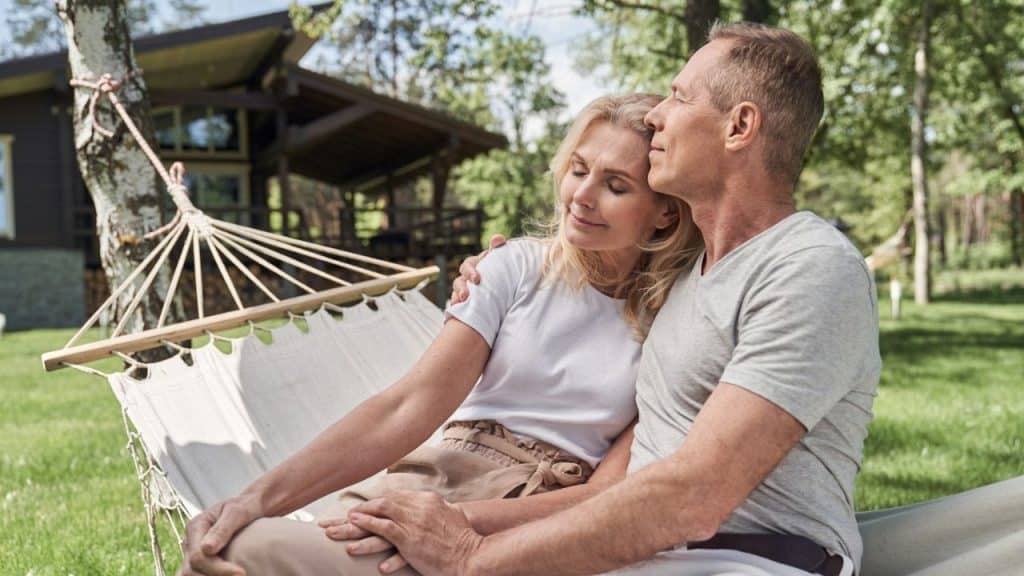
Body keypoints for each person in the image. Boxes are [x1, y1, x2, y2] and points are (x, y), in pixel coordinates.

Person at [343, 22, 881, 576]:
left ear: (740, 126)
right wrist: (503, 268)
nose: (656, 116)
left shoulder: (810, 267)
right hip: (630, 549)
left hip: (751, 557)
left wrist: (471, 557)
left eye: (678, 96)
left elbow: (696, 496)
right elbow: (596, 270)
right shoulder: (680, 282)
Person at [177, 93, 704, 576]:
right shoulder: (512, 269)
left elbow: (610, 493)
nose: (581, 197)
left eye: (616, 186)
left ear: (663, 216)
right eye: (578, 170)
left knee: (251, 556)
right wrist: (251, 500)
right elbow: (408, 406)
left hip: (534, 512)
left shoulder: (676, 323)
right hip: (433, 474)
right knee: (229, 548)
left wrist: (456, 524)